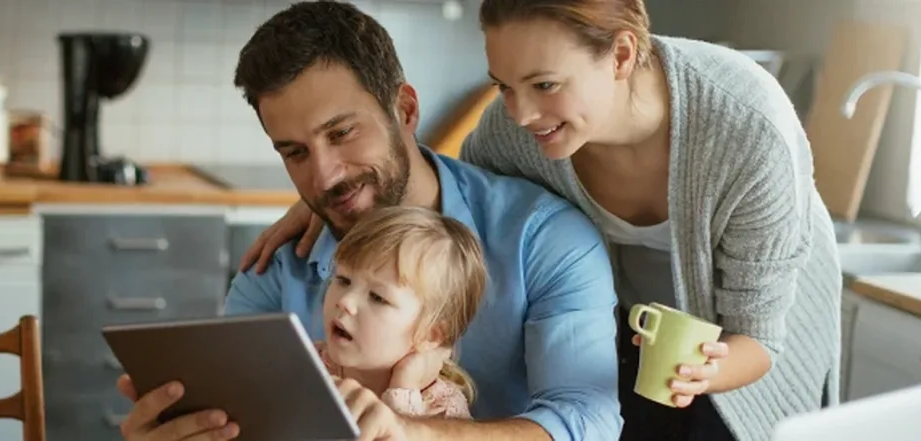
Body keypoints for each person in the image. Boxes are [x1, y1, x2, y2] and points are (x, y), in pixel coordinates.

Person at [240, 1, 844, 441]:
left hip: (744, 335)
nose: (521, 110)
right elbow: (446, 207)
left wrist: (410, 429)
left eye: (544, 84)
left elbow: (757, 339)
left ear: (623, 55)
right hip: (632, 331)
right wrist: (333, 195)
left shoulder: (747, 131)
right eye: (503, 86)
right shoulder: (517, 130)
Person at [116, 1, 624, 441]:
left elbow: (589, 422)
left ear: (403, 109)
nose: (324, 176)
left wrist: (411, 431)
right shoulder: (275, 269)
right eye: (294, 152)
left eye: (341, 133)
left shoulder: (544, 238)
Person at [315, 205, 486, 419]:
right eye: (343, 280)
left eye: (377, 297)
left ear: (431, 335)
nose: (345, 301)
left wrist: (402, 389)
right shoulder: (309, 365)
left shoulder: (442, 410)